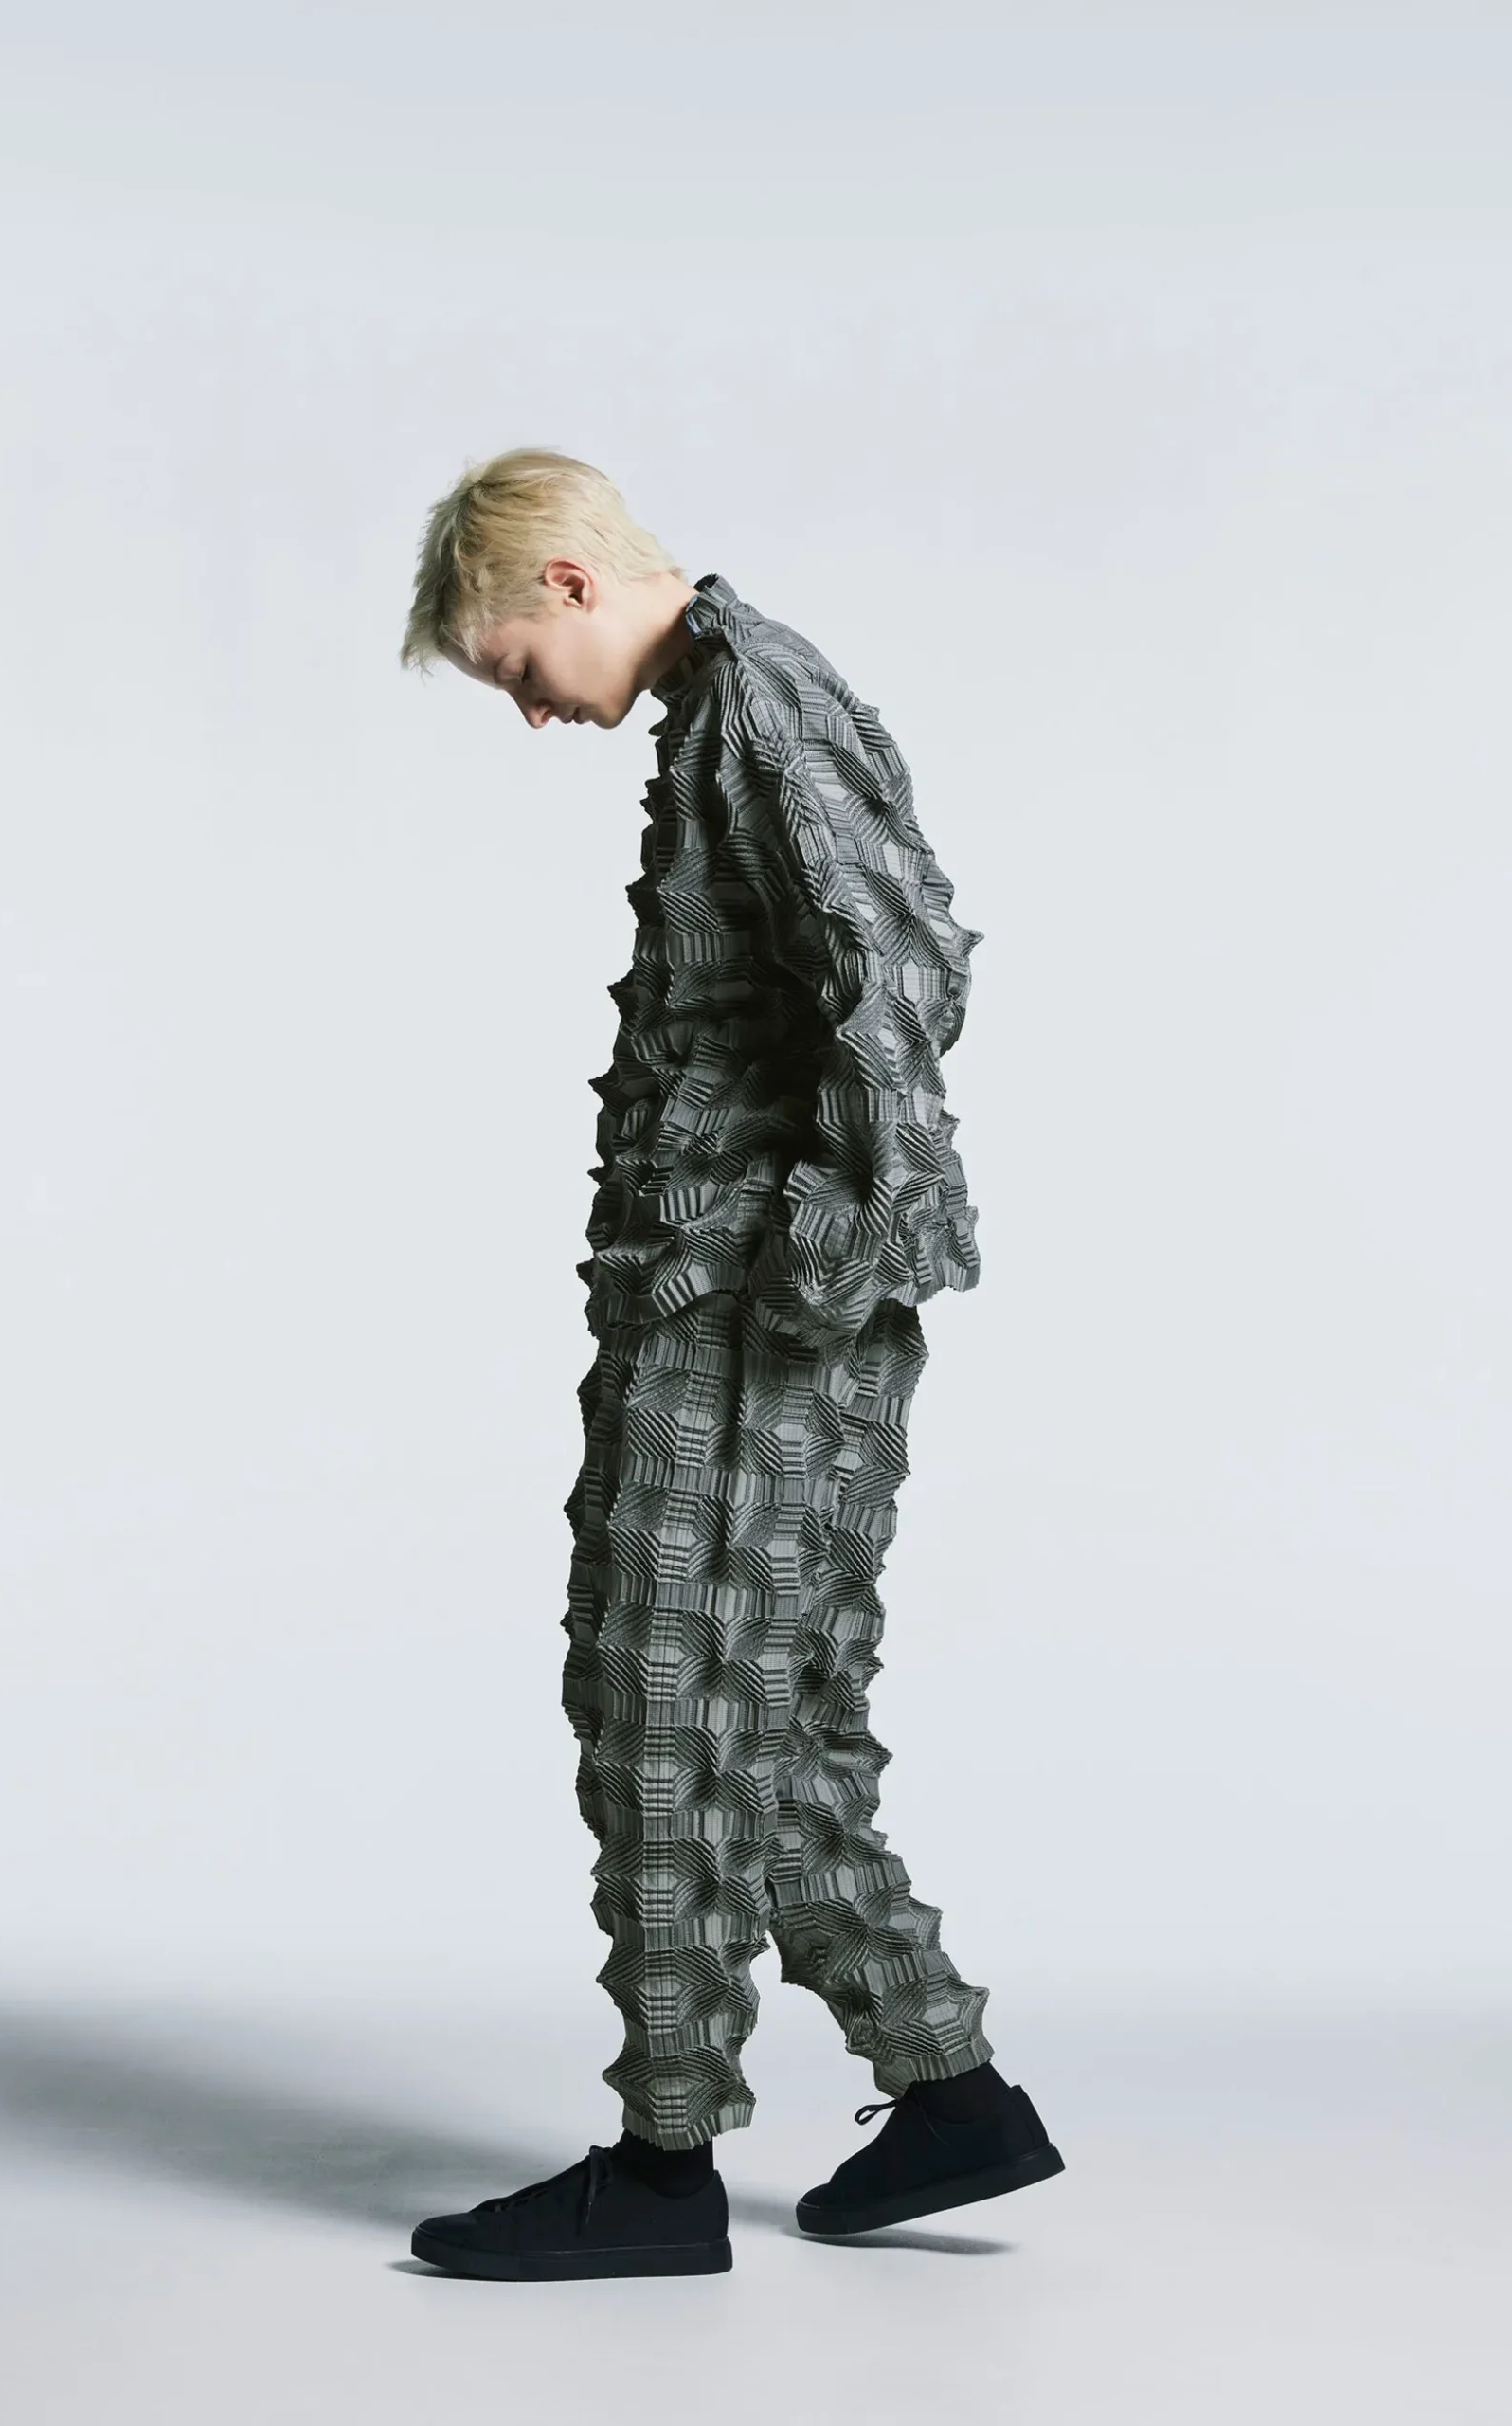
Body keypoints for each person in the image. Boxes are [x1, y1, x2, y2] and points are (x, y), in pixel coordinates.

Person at [396, 449, 1063, 2280]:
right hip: (734, 1294)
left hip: (755, 1315)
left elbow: (899, 969)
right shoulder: (729, 705)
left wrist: (812, 1261)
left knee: (669, 1699)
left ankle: (662, 2171)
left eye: (516, 669)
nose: (532, 711)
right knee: (757, 1714)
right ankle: (952, 2097)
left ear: (564, 584)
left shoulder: (758, 708)